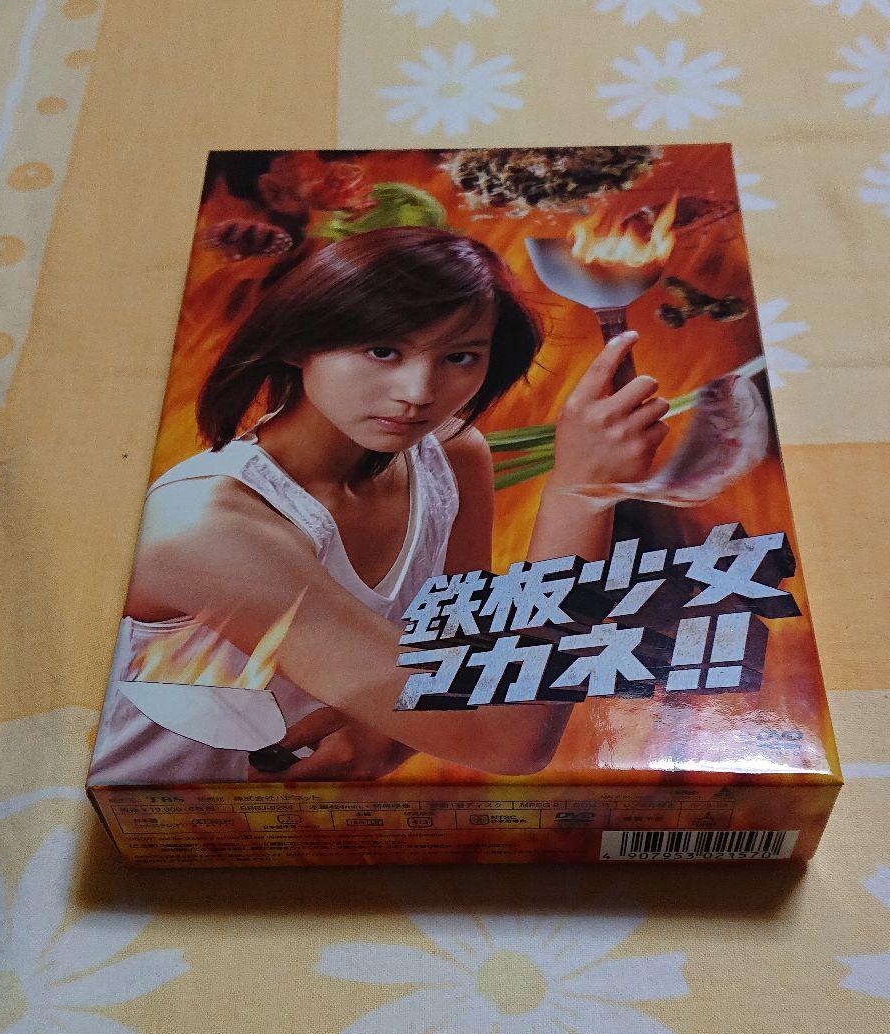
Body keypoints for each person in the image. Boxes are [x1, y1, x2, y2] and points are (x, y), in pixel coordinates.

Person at [88, 226, 670, 786]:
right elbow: (509, 735)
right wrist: (581, 493)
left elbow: (462, 659)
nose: (418, 393)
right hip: (138, 812)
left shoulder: (450, 456)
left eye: (460, 357)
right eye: (382, 351)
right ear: (296, 342)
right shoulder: (206, 529)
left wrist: (376, 732)